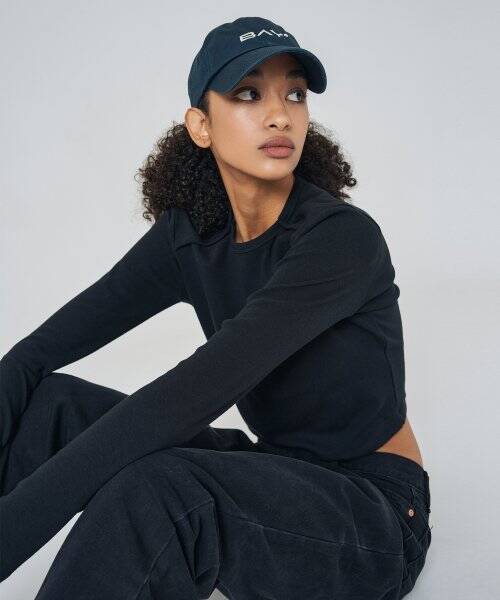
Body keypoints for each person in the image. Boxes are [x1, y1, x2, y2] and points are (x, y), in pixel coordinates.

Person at [0, 16, 432, 599]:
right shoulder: (191, 236)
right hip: (273, 471)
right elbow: (34, 356)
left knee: (161, 491)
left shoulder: (340, 239)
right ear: (200, 126)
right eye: (249, 94)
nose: (280, 115)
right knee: (47, 406)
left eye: (295, 94)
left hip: (373, 511)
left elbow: (192, 393)